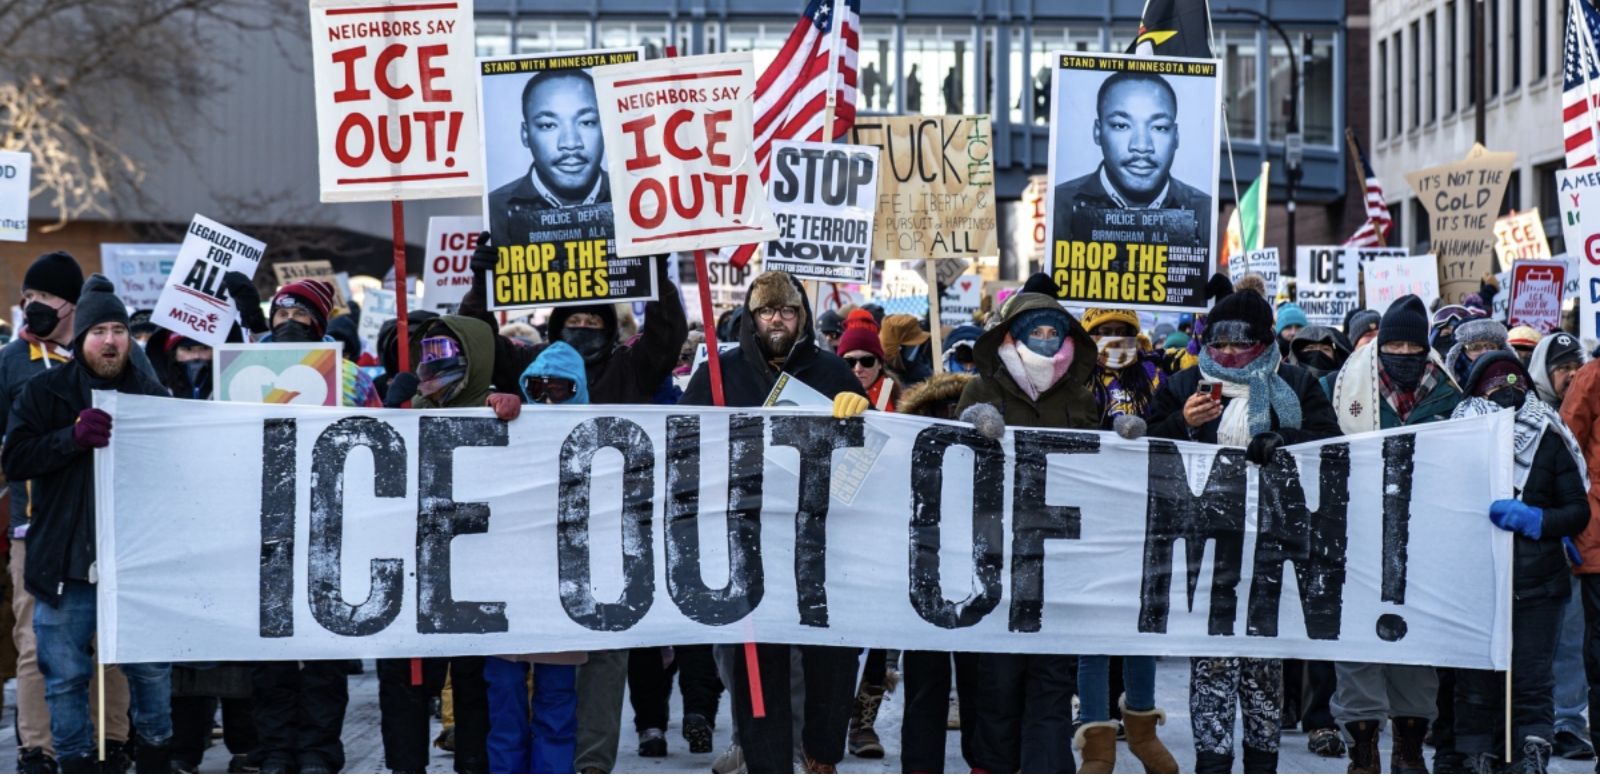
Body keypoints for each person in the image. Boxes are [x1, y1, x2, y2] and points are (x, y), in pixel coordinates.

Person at [957, 294, 1164, 774]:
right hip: (998, 554)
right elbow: (949, 455)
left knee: (1052, 679)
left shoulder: (1076, 392)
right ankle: (991, 767)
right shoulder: (981, 387)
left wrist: (1119, 436)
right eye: (1036, 330)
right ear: (1012, 334)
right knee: (1000, 679)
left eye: (1055, 332)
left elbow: (1093, 464)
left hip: (1059, 561)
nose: (1046, 340)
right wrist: (969, 425)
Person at [680, 270, 869, 775]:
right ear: (751, 317)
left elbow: (868, 465)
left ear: (802, 316)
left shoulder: (832, 373)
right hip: (750, 543)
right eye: (767, 311)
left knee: (831, 656)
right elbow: (682, 449)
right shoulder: (720, 374)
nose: (777, 319)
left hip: (823, 545)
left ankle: (822, 757)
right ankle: (766, 765)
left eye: (787, 310)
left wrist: (864, 418)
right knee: (756, 666)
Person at [1147, 290, 1339, 773]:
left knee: (1262, 672)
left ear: (1266, 341)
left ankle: (1261, 762)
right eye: (1220, 340)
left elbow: (1331, 444)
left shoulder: (1294, 383)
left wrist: (1285, 439)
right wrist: (1181, 423)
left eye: (1242, 341)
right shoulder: (1185, 383)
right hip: (1207, 550)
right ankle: (1211, 763)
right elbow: (1142, 445)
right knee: (1211, 668)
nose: (1229, 352)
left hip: (1272, 551)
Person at [2, 274, 173, 774]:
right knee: (64, 675)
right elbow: (17, 460)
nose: (110, 340)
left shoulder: (152, 396)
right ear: (80, 340)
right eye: (99, 331)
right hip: (64, 558)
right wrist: (69, 439)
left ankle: (156, 753)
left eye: (119, 330)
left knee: (149, 672)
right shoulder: (42, 392)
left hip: (136, 560)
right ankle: (75, 761)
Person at [379, 315, 523, 775]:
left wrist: (516, 412)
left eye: (446, 354)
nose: (433, 366)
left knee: (472, 684)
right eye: (429, 355)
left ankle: (473, 765)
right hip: (410, 572)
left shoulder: (497, 407)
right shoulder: (409, 406)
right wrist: (392, 414)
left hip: (473, 574)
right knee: (403, 683)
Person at [1329, 294, 1464, 774]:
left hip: (1424, 545)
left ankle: (1409, 746)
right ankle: (1362, 747)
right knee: (1358, 646)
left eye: (1414, 345)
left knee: (1416, 646)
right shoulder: (1338, 387)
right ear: (1382, 345)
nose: (1405, 354)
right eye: (1396, 344)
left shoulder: (1453, 398)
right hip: (1359, 542)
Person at [1450, 351, 1590, 773]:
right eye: (1494, 384)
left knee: (1531, 679)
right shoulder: (1458, 437)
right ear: (1476, 390)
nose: (1505, 391)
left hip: (1538, 586)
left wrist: (1537, 520)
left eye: (1514, 382)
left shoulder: (1549, 435)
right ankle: (1477, 756)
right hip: (1475, 583)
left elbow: (1577, 511)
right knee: (1477, 680)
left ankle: (1529, 755)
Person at [482, 342, 589, 775]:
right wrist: (487, 404)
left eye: (559, 388)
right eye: (537, 387)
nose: (546, 397)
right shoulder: (512, 424)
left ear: (577, 389)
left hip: (563, 594)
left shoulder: (599, 432)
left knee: (557, 707)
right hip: (509, 587)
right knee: (504, 701)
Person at [896, 370, 982, 773]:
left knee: (982, 685)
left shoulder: (991, 447)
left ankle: (983, 763)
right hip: (924, 582)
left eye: (958, 410)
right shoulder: (906, 451)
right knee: (924, 686)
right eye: (940, 410)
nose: (950, 417)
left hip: (981, 580)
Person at [1053, 71, 1212, 252]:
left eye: (1159, 127)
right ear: (1098, 132)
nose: (1142, 146)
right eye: (1121, 125)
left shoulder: (1206, 211)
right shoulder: (1059, 206)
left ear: (1176, 137)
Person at [488, 68, 608, 241]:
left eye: (587, 122)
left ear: (605, 129)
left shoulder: (636, 202)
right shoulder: (492, 212)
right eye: (548, 125)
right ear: (525, 135)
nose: (570, 143)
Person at [1082, 308, 1166, 437]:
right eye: (1106, 332)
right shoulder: (1078, 372)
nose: (1115, 338)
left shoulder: (1152, 371)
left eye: (1121, 331)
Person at [838, 321, 899, 411]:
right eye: (849, 362)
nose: (858, 369)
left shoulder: (900, 401)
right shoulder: (828, 393)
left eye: (867, 361)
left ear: (880, 364)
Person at [1441, 314, 1512, 384]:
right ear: (1459, 353)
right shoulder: (1448, 389)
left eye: (1491, 347)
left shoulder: (1516, 384)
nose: (1485, 352)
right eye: (1475, 348)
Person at [880, 313, 934, 387]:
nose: (916, 350)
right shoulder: (877, 377)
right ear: (897, 350)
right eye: (911, 347)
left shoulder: (921, 372)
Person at [1286, 325, 1351, 382]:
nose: (1318, 353)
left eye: (1325, 349)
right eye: (1310, 348)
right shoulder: (1287, 380)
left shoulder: (1345, 382)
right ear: (1298, 353)